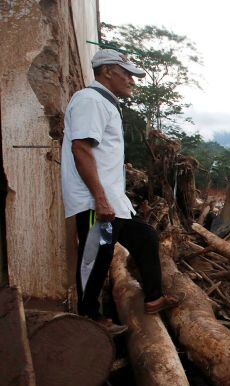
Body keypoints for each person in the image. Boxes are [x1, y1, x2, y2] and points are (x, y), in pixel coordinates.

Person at [61, 49, 180, 333]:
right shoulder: (90, 101)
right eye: (126, 73)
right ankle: (89, 319)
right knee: (94, 258)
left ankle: (153, 298)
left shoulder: (104, 103)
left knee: (145, 237)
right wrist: (100, 199)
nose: (132, 81)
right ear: (107, 72)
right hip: (95, 203)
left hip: (110, 201)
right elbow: (81, 149)